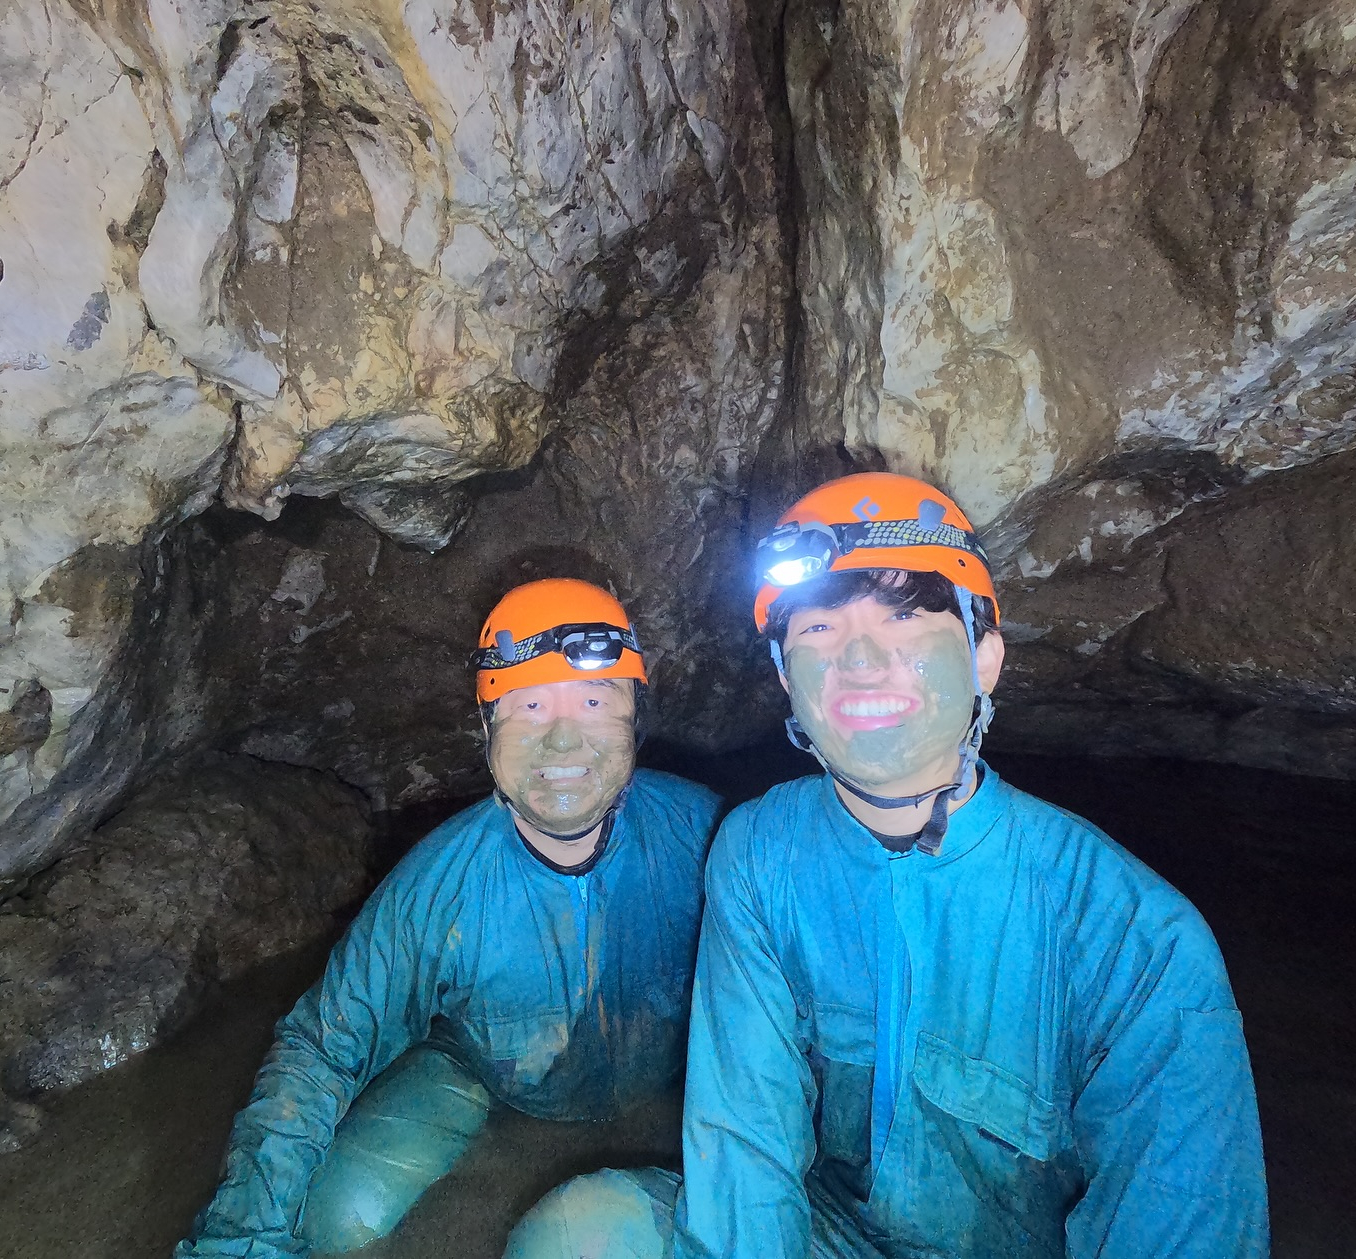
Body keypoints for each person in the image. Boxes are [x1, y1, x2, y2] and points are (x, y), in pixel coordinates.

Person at [506, 473, 1269, 1259]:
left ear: (986, 660)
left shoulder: (1140, 941)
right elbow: (745, 1152)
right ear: (784, 680)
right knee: (585, 1234)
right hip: (838, 1237)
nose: (861, 657)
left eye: (905, 616)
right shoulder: (760, 853)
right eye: (821, 629)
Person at [176, 578, 722, 1257]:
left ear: (635, 718)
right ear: (487, 730)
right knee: (335, 1217)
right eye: (527, 706)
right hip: (484, 1070)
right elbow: (321, 1048)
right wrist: (242, 1238)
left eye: (591, 700)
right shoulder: (436, 888)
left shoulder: (710, 834)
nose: (560, 737)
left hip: (673, 1074)